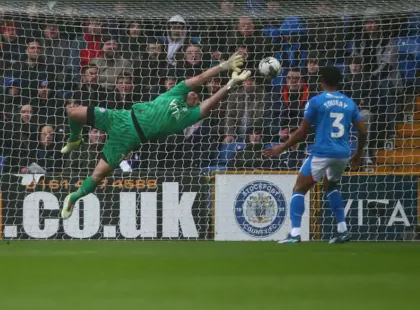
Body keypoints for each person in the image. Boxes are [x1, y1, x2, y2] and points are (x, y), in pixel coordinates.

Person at [60, 53, 250, 219]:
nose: (194, 94)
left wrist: (230, 84)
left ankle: (73, 198)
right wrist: (223, 66)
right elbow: (200, 78)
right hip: (120, 118)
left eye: (197, 97)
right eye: (193, 92)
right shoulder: (175, 92)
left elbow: (211, 102)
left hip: (129, 139)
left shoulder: (189, 116)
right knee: (73, 113)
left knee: (99, 173)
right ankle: (75, 139)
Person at [264, 66, 367, 244]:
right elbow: (363, 132)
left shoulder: (316, 101)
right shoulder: (350, 103)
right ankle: (342, 230)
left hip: (322, 152)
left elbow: (302, 132)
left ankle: (295, 233)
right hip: (343, 153)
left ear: (321, 80)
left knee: (299, 189)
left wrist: (281, 147)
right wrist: (358, 154)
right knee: (331, 186)